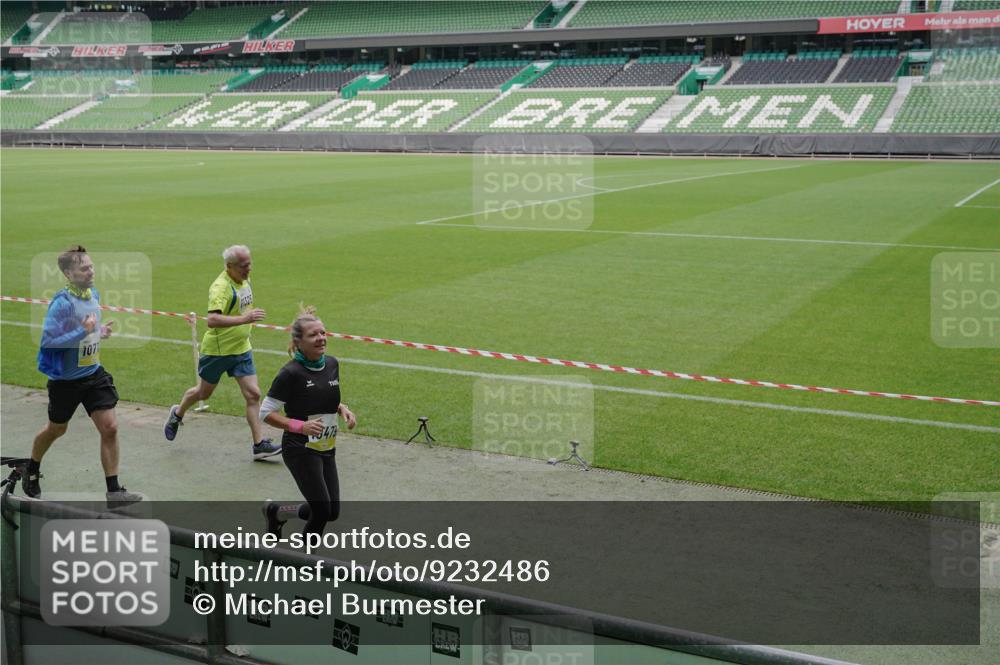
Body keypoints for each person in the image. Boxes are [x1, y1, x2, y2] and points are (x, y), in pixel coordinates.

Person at [26, 245, 142, 506]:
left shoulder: (92, 294)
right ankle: (31, 468)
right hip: (65, 382)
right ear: (68, 273)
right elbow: (48, 342)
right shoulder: (62, 303)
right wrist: (82, 331)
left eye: (91, 266)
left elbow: (89, 328)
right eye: (84, 268)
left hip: (93, 375)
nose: (92, 271)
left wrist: (99, 332)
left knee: (110, 428)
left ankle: (114, 491)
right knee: (56, 429)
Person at [163, 245, 280, 460]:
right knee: (203, 393)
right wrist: (245, 319)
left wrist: (245, 324)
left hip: (241, 348)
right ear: (229, 266)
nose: (249, 269)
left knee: (253, 394)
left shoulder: (244, 280)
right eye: (244, 266)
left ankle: (259, 444)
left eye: (250, 264)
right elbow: (213, 320)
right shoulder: (220, 288)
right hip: (218, 351)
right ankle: (177, 413)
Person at [259, 306, 356, 536]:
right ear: (298, 342)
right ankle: (306, 565)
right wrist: (299, 426)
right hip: (299, 449)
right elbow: (265, 412)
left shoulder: (332, 364)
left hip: (325, 447)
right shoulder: (290, 373)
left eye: (323, 333)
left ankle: (277, 512)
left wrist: (343, 409)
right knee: (321, 511)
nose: (321, 338)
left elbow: (321, 397)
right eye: (314, 335)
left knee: (331, 512)